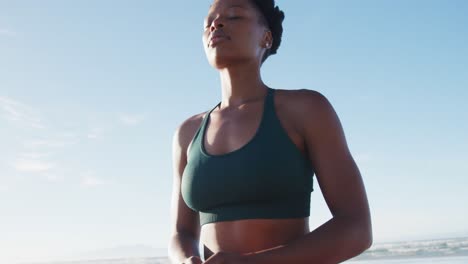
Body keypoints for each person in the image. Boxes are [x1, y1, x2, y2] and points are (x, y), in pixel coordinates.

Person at [168, 0, 373, 263]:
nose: (215, 24)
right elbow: (180, 232)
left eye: (234, 16)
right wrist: (186, 260)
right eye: (208, 20)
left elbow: (356, 229)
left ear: (266, 37)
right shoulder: (187, 133)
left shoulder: (306, 110)